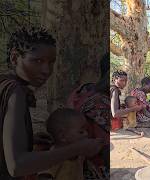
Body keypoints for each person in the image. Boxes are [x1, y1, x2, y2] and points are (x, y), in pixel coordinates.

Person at [0, 27, 104, 179]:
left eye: (51, 62)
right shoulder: (15, 92)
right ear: (15, 58)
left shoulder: (4, 83)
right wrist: (77, 148)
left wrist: (28, 139)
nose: (46, 70)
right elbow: (16, 166)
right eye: (38, 61)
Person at [66, 53, 110, 179]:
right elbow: (106, 152)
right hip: (88, 167)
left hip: (72, 160)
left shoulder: (82, 90)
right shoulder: (100, 103)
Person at [38, 108, 103, 180]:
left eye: (86, 130)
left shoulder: (80, 155)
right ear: (63, 137)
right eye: (81, 132)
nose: (86, 134)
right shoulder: (52, 159)